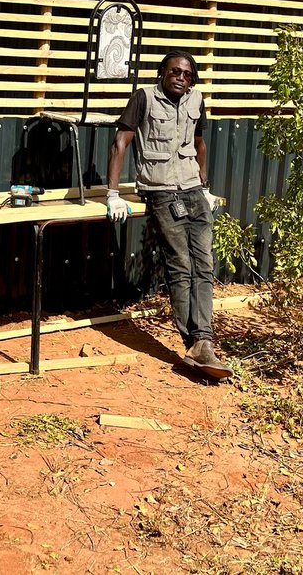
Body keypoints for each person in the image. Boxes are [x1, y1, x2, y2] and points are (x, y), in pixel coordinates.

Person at [105, 51, 233, 380]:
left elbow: (199, 143)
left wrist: (204, 184)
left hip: (193, 190)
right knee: (180, 264)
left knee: (204, 264)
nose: (181, 77)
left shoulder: (196, 100)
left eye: (188, 74)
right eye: (175, 71)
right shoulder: (144, 98)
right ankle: (194, 343)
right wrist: (113, 193)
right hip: (161, 192)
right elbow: (121, 142)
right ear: (162, 72)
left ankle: (203, 342)